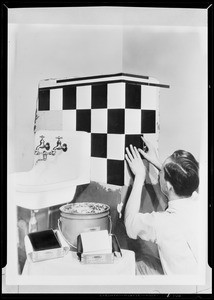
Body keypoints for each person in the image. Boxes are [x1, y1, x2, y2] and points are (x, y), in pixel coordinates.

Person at [124, 136, 199, 275]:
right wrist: (161, 164)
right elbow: (180, 181)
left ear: (169, 186)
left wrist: (140, 176)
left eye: (162, 172)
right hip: (199, 280)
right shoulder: (199, 201)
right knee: (146, 260)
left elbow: (130, 225)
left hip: (179, 290)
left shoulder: (163, 222)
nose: (160, 174)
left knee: (134, 266)